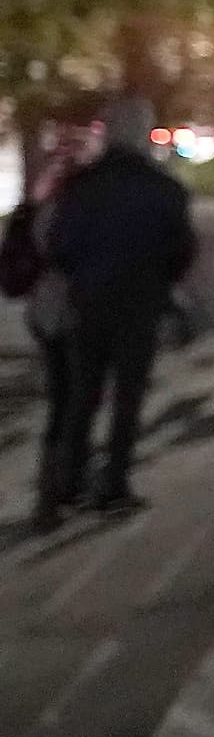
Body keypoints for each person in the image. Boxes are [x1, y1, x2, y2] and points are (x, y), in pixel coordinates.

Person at [39, 96, 197, 529]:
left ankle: (70, 485)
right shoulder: (164, 188)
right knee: (128, 397)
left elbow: (59, 246)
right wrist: (160, 282)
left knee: (83, 395)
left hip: (88, 303)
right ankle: (114, 486)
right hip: (140, 303)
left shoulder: (82, 185)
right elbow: (181, 250)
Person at [7, 126, 83, 535]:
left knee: (64, 400)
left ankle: (56, 490)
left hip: (44, 313)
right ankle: (52, 495)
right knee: (69, 402)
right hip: (64, 314)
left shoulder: (37, 205)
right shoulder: (64, 208)